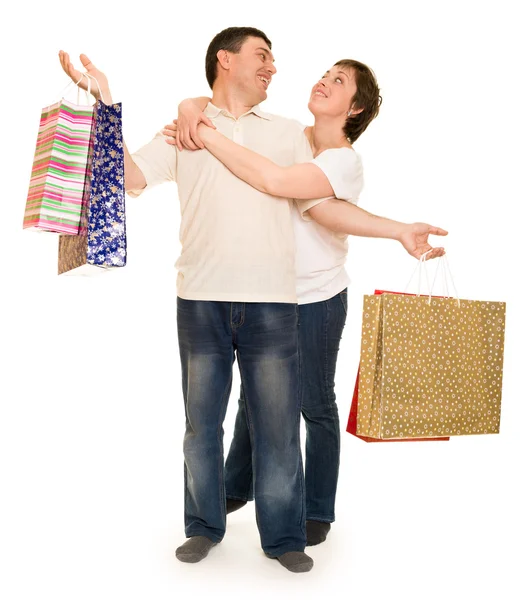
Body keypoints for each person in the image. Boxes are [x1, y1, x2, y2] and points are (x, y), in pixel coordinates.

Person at [163, 57, 447, 546]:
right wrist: (191, 106)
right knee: (262, 400)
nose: (324, 81)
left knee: (313, 404)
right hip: (263, 294)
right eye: (325, 73)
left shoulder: (341, 159)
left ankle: (316, 506)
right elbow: (227, 117)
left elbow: (309, 202)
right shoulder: (291, 136)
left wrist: (399, 230)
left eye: (339, 82)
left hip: (314, 298)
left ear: (354, 107)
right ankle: (235, 486)